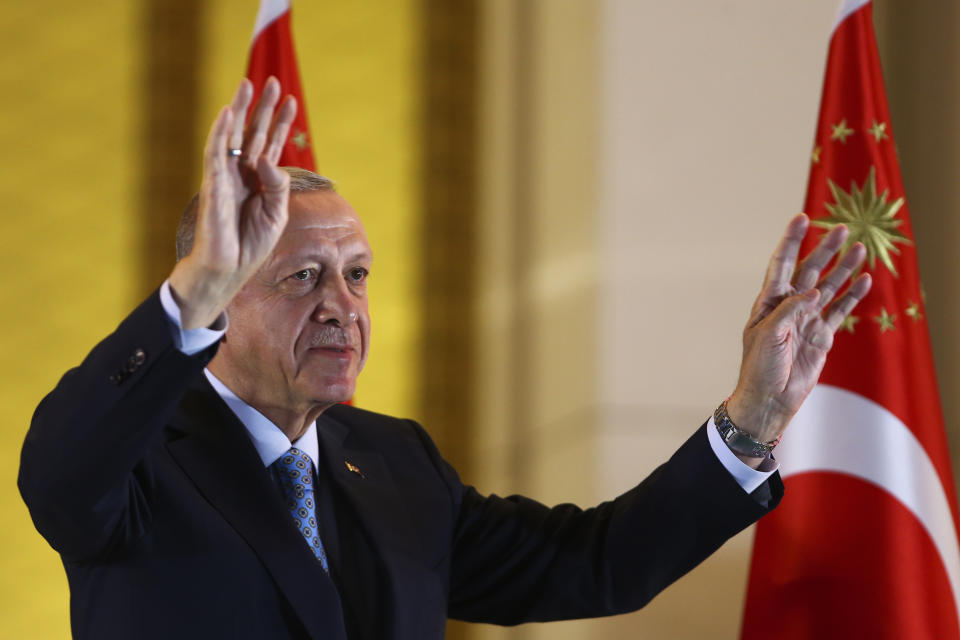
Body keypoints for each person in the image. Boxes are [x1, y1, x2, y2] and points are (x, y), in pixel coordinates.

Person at [19, 78, 871, 640]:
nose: (341, 306)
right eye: (301, 277)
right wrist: (188, 293)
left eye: (357, 276)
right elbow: (59, 467)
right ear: (221, 295)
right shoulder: (135, 462)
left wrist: (754, 420)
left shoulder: (395, 464)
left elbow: (595, 564)